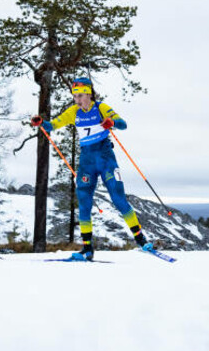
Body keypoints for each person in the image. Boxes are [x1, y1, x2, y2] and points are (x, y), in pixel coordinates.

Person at [31, 77, 152, 261]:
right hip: (87, 163)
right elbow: (53, 125)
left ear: (88, 94)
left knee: (119, 199)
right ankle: (87, 249)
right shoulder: (73, 112)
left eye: (80, 96)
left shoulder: (101, 108)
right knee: (84, 203)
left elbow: (123, 124)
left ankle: (141, 240)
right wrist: (41, 123)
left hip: (106, 160)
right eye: (74, 96)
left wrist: (111, 123)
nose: (77, 100)